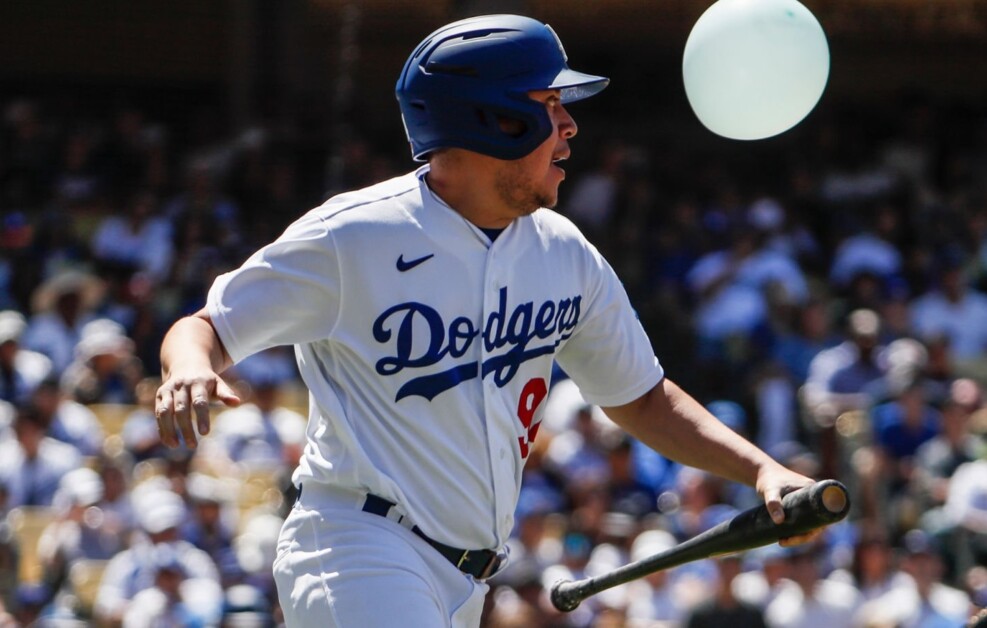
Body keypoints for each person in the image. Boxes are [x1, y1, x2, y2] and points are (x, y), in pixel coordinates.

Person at [153, 14, 822, 627]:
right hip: (358, 545)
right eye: (549, 105)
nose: (569, 127)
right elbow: (207, 326)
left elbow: (642, 399)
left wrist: (761, 470)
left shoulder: (563, 253)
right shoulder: (353, 236)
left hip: (470, 577)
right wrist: (188, 367)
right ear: (491, 120)